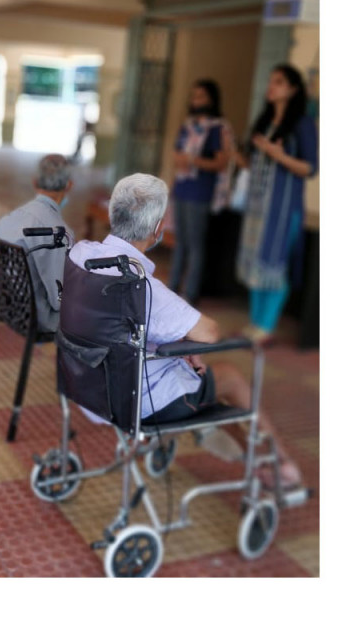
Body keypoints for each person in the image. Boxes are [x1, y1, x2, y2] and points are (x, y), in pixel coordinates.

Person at [68, 173, 303, 489]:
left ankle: (237, 446)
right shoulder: (144, 288)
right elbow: (209, 332)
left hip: (86, 390)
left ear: (113, 213)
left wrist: (179, 340)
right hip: (136, 402)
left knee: (204, 383)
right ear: (157, 229)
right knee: (229, 377)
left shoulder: (80, 254)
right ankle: (280, 465)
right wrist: (185, 342)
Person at [236, 64, 318, 343]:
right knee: (256, 265)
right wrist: (234, 154)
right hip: (257, 209)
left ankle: (266, 326)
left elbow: (309, 168)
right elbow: (254, 165)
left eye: (279, 82)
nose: (271, 86)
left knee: (273, 265)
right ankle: (254, 323)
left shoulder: (302, 125)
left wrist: (279, 155)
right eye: (271, 81)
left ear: (293, 89)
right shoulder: (265, 121)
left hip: (282, 211)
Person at [169, 79, 234, 305]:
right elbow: (177, 154)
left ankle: (190, 292)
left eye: (201, 96)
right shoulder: (188, 125)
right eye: (194, 96)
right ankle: (172, 288)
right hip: (182, 188)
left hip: (200, 192)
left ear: (211, 99)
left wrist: (192, 160)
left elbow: (220, 163)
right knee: (180, 242)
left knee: (195, 244)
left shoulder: (217, 128)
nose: (196, 100)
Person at [0, 154, 74, 333]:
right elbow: (58, 299)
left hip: (9, 307)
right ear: (69, 185)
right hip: (38, 317)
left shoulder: (10, 218)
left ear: (34, 182)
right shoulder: (60, 234)